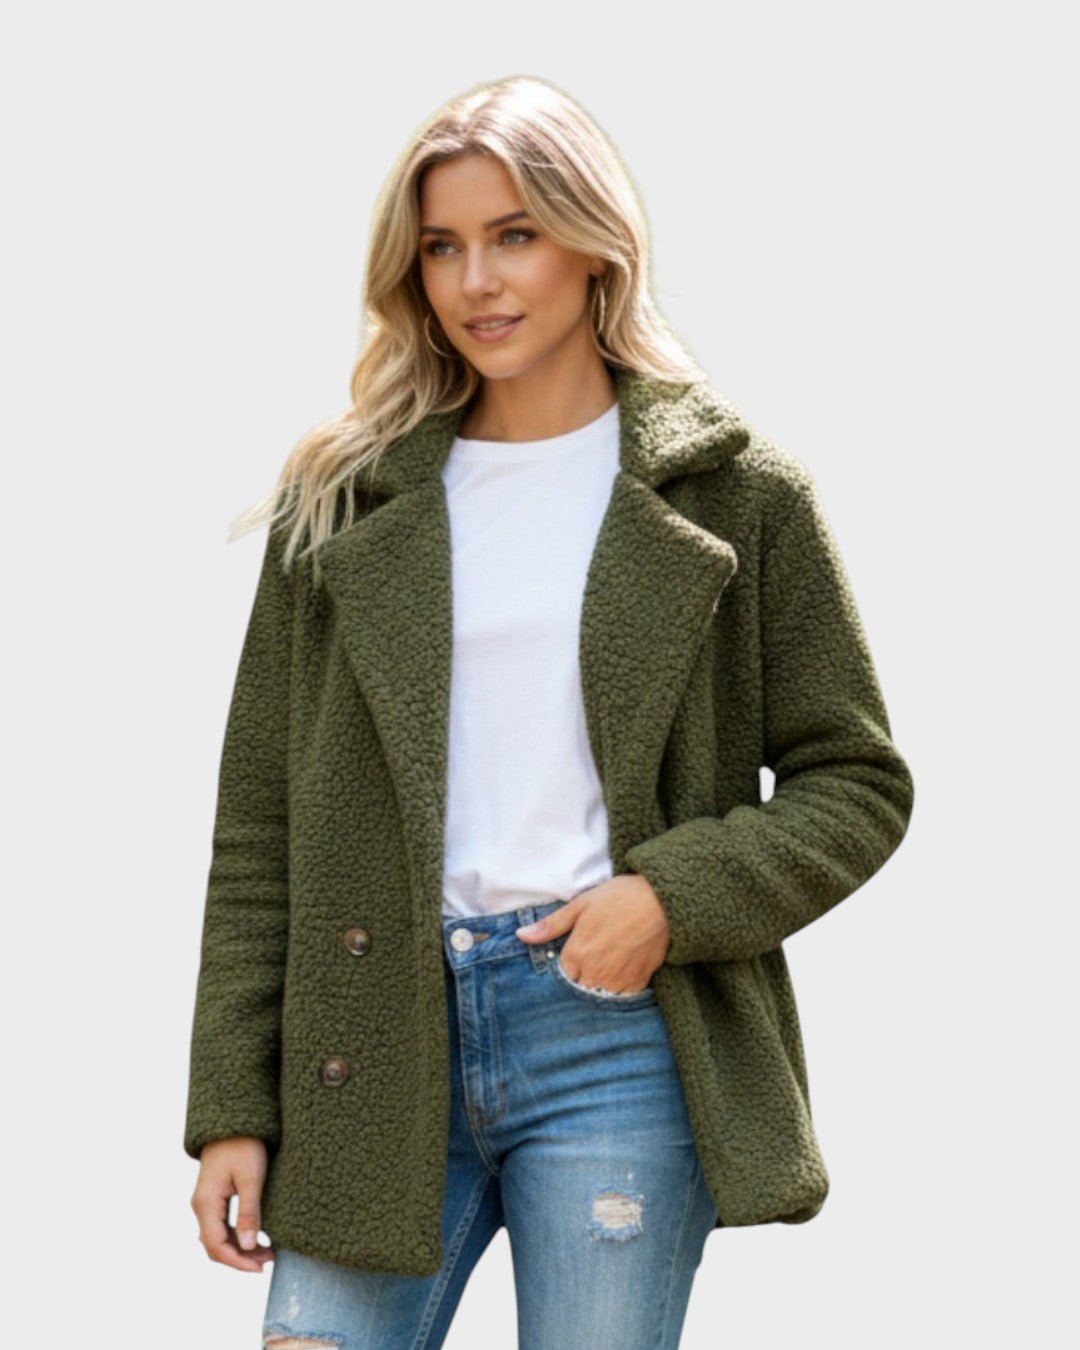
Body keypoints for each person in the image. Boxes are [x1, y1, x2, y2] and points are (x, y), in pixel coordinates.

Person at [185, 74, 914, 1349]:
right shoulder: (344, 502)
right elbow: (261, 826)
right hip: (372, 1033)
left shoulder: (738, 496)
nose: (476, 282)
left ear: (593, 244)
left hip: (615, 1038)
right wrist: (234, 1104)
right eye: (442, 248)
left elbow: (855, 780)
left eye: (514, 234)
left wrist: (670, 898)